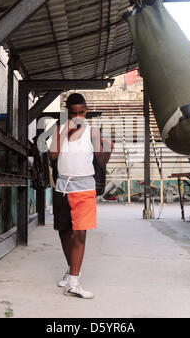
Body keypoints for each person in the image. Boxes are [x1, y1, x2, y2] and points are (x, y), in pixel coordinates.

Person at [49, 93, 114, 299]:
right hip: (62, 187)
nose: (78, 116)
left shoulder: (93, 132)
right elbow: (52, 155)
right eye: (73, 113)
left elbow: (101, 161)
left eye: (82, 112)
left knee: (80, 234)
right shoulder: (59, 130)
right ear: (67, 113)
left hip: (84, 188)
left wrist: (109, 148)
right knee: (64, 232)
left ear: (86, 112)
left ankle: (74, 283)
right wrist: (64, 131)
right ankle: (71, 273)